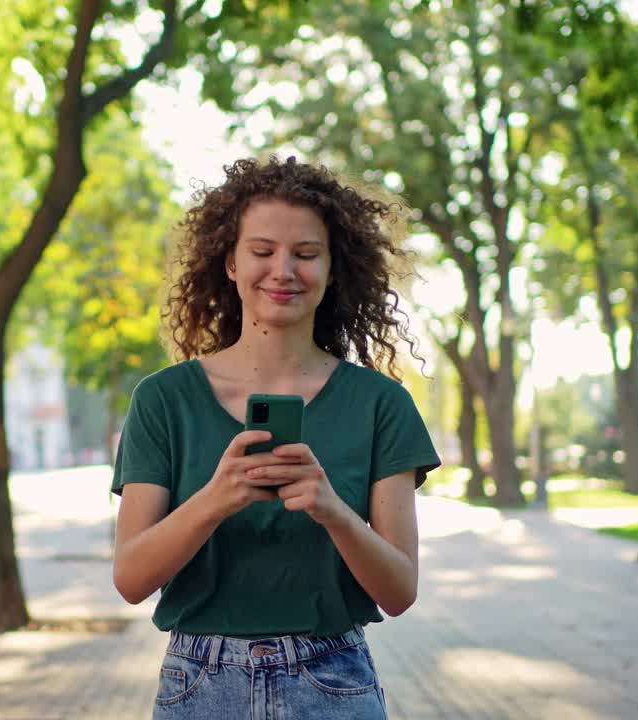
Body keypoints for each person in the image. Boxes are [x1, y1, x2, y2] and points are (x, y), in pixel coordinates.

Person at [111, 157, 440, 719]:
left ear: (333, 269)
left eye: (306, 254)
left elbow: (399, 591)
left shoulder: (382, 405)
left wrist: (332, 509)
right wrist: (216, 500)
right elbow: (132, 579)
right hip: (199, 687)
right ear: (231, 263)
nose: (283, 270)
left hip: (333, 681)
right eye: (262, 251)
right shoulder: (163, 400)